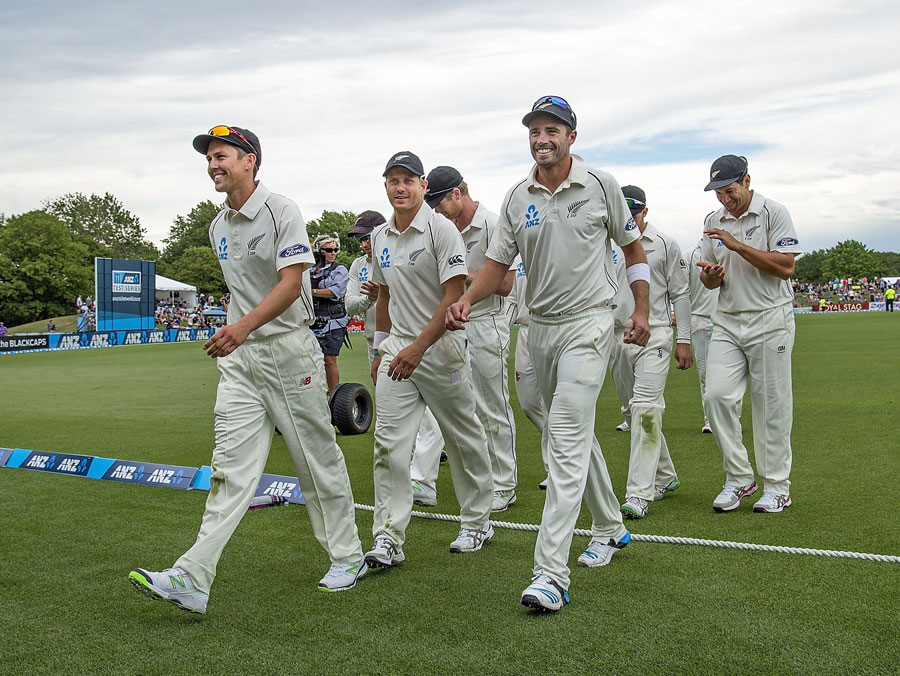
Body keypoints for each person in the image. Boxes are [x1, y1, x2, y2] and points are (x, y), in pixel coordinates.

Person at [129, 125, 366, 615]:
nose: (213, 165)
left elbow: (290, 283)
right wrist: (237, 334)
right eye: (209, 159)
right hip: (242, 362)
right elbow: (241, 292)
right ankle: (193, 576)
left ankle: (347, 556)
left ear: (250, 160)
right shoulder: (217, 226)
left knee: (314, 460)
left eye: (221, 156)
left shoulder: (282, 210)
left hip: (289, 350)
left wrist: (242, 327)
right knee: (228, 470)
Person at [447, 96, 650, 612]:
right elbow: (496, 265)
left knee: (563, 439)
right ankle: (609, 523)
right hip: (536, 328)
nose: (542, 138)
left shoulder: (601, 185)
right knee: (559, 423)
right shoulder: (518, 197)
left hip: (589, 324)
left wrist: (642, 312)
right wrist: (468, 299)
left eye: (552, 129)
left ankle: (550, 573)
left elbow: (633, 251)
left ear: (571, 137)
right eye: (535, 130)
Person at [365, 151, 494, 571]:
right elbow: (383, 296)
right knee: (388, 446)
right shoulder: (379, 237)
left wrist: (418, 347)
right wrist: (379, 348)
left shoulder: (441, 230)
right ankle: (388, 538)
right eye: (392, 181)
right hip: (398, 350)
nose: (399, 188)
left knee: (462, 439)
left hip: (439, 351)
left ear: (423, 186)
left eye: (408, 180)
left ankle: (477, 522)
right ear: (385, 186)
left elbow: (453, 295)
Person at [409, 166, 518, 513]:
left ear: (458, 193)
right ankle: (423, 482)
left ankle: (505, 484)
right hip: (452, 324)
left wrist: (460, 275)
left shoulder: (491, 224)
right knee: (444, 405)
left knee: (491, 407)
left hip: (487, 322)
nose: (436, 210)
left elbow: (504, 284)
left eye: (439, 202)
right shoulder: (440, 228)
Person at [697, 154, 801, 514]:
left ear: (746, 181)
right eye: (718, 193)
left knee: (771, 405)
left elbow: (785, 267)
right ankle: (740, 478)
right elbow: (708, 278)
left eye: (730, 191)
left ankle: (777, 487)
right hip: (727, 319)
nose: (725, 200)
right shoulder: (713, 220)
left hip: (770, 318)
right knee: (717, 397)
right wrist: (711, 276)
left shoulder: (773, 212)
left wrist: (738, 245)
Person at [609, 185, 692, 520]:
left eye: (634, 213)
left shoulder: (665, 244)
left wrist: (683, 339)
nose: (628, 219)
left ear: (645, 212)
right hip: (616, 337)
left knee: (645, 408)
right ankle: (665, 475)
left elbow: (681, 293)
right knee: (633, 412)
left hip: (655, 334)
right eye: (623, 213)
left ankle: (638, 494)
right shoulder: (607, 242)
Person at [345, 210, 387, 365]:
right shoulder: (358, 264)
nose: (363, 245)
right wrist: (369, 298)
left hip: (400, 339)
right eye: (359, 240)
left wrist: (383, 294)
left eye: (366, 238)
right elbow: (350, 306)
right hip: (372, 342)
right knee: (379, 389)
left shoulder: (397, 257)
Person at [310, 235, 350, 394]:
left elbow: (335, 291)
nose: (333, 253)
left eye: (335, 250)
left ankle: (334, 396)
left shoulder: (340, 270)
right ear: (319, 251)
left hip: (334, 321)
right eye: (328, 250)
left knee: (329, 359)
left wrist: (311, 292)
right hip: (312, 319)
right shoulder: (309, 270)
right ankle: (315, 391)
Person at [688, 240, 718, 432]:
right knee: (706, 373)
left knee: (730, 373)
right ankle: (710, 418)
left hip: (728, 317)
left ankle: (733, 418)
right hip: (701, 318)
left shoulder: (727, 251)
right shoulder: (690, 255)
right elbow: (681, 288)